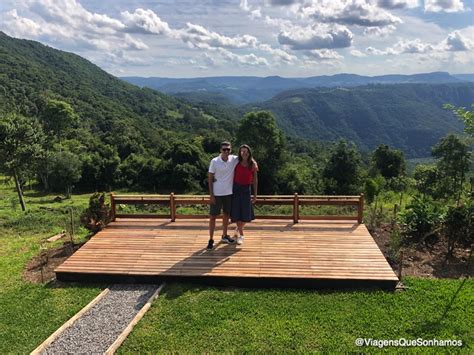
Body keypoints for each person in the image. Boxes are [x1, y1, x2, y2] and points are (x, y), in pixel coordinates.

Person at [207, 141, 239, 250]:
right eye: (224, 149)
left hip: (228, 193)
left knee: (226, 215)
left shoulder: (233, 159)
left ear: (231, 150)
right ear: (220, 150)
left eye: (228, 149)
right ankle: (211, 239)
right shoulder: (214, 161)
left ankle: (224, 235)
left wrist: (254, 163)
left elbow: (246, 157)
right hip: (217, 193)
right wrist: (211, 194)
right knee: (213, 217)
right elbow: (210, 178)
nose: (226, 151)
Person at [230, 144, 258, 245]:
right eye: (242, 151)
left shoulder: (252, 164)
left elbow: (255, 180)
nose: (244, 153)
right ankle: (241, 235)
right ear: (239, 153)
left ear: (249, 152)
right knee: (237, 213)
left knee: (246, 214)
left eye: (246, 151)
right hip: (236, 188)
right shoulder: (235, 162)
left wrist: (255, 195)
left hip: (246, 189)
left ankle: (239, 228)